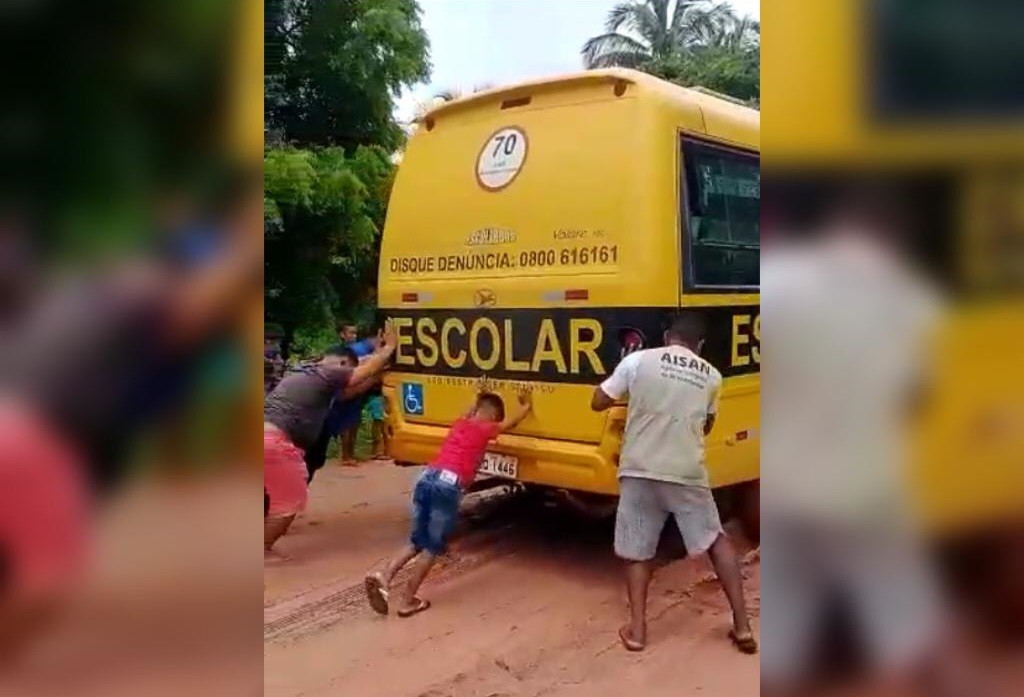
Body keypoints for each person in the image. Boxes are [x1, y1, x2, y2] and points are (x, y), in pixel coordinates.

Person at [591, 313, 756, 654]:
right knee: (716, 541)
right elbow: (706, 427)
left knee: (638, 550)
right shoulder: (712, 376)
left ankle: (637, 632)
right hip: (685, 472)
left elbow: (599, 401)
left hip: (640, 468)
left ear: (668, 336)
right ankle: (742, 627)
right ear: (700, 345)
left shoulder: (638, 361)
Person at [364, 380, 532, 617]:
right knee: (432, 546)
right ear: (493, 415)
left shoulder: (461, 423)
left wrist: (478, 395)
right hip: (447, 485)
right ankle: (408, 600)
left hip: (426, 478)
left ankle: (385, 575)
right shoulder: (486, 428)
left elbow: (470, 410)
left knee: (417, 540)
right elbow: (510, 424)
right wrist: (526, 406)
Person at [263, 325, 397, 559]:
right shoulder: (331, 372)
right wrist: (389, 349)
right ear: (343, 364)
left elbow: (350, 389)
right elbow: (359, 374)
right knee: (288, 503)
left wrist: (378, 362)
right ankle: (262, 550)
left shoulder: (307, 369)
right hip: (276, 442)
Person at [303, 346, 379, 483]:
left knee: (310, 465)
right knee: (305, 467)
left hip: (313, 427)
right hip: (309, 428)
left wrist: (379, 354)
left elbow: (363, 363)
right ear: (343, 364)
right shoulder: (326, 376)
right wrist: (374, 377)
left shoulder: (308, 369)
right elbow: (345, 394)